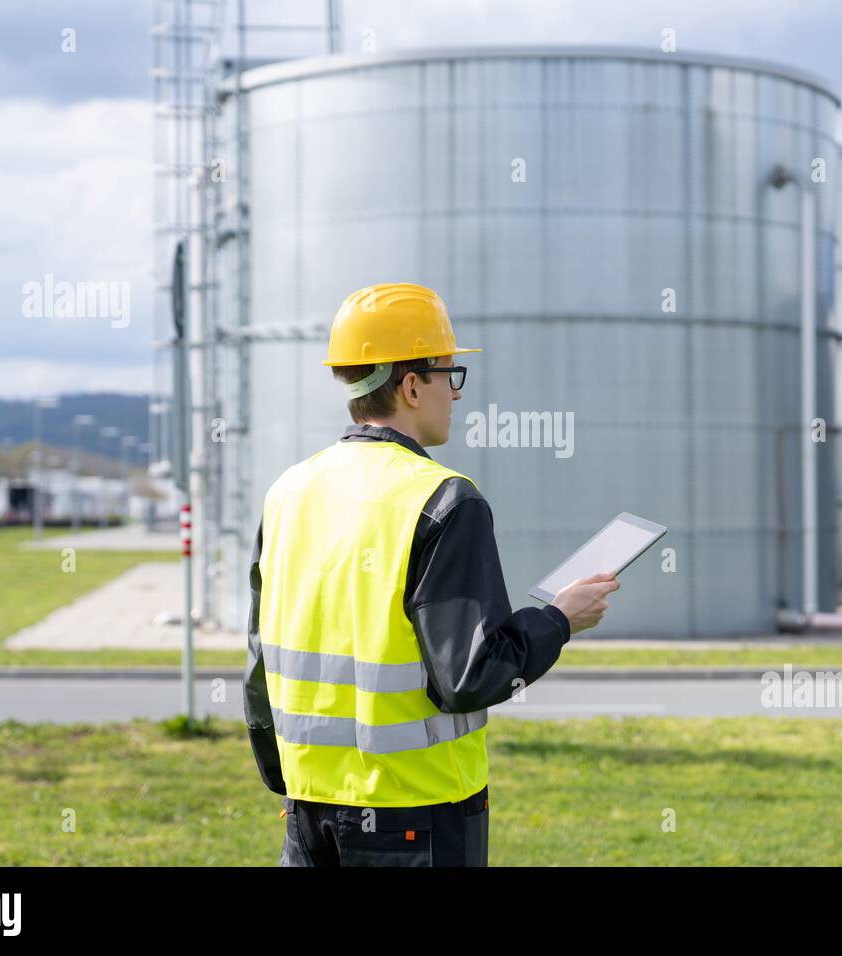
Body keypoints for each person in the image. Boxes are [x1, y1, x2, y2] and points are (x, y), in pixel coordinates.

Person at [244, 281, 620, 866]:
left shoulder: (287, 492)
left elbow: (260, 662)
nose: (457, 394)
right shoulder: (444, 501)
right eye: (450, 375)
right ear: (412, 384)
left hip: (308, 809)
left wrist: (291, 783)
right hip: (418, 816)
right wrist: (559, 621)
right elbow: (472, 676)